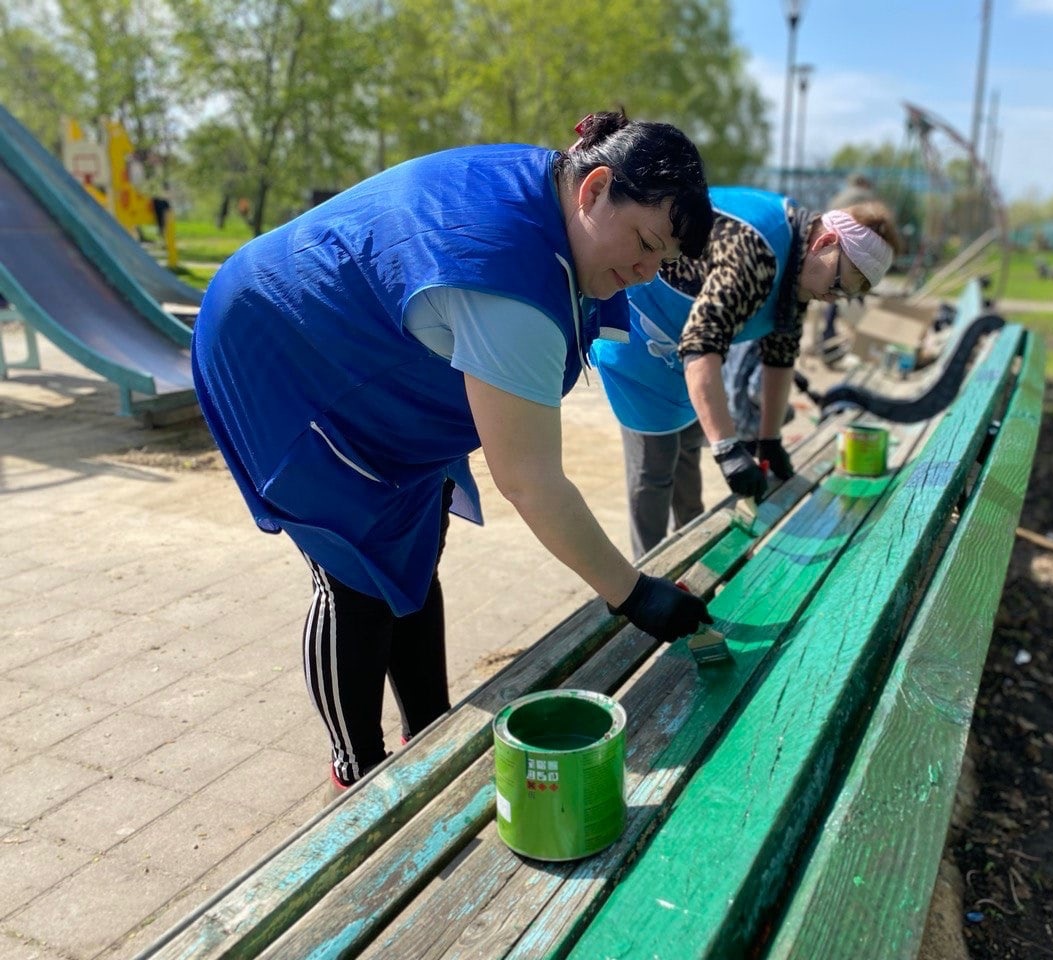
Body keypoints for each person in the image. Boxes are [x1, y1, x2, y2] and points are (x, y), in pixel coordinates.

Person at [191, 111, 716, 791]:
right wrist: (633, 594)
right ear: (594, 188)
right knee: (354, 572)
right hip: (279, 350)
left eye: (660, 260)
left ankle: (430, 728)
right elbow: (529, 481)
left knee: (415, 537)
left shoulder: (556, 186)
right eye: (644, 244)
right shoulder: (508, 281)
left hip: (370, 347)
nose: (645, 274)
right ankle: (359, 771)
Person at [590, 192, 901, 558]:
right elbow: (701, 347)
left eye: (842, 296)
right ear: (826, 241)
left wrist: (769, 439)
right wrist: (727, 449)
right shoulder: (759, 249)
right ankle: (649, 576)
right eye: (835, 284)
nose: (830, 299)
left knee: (688, 447)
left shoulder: (800, 265)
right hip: (639, 331)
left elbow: (780, 353)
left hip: (681, 352)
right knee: (654, 470)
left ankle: (692, 560)